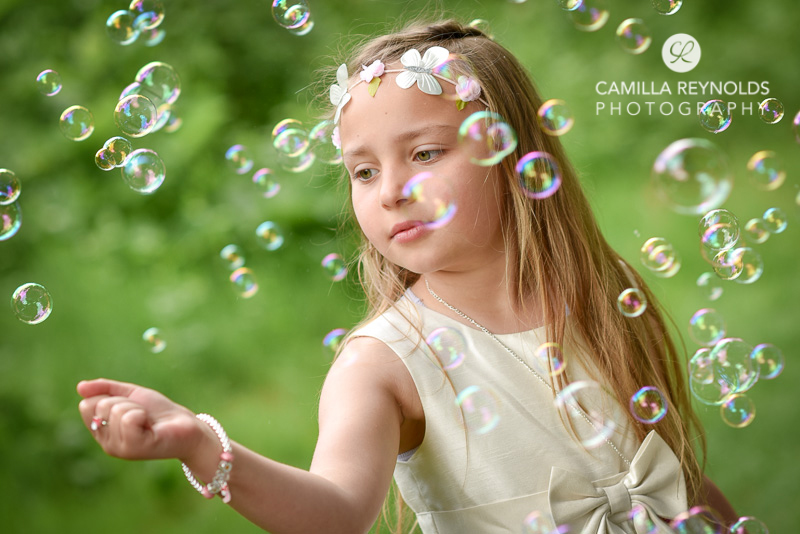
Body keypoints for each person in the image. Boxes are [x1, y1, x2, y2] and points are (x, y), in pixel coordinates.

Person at [78, 18, 738, 534]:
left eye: (424, 153)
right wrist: (200, 443)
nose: (390, 190)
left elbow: (673, 476)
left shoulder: (599, 287)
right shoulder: (386, 363)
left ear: (512, 155)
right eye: (364, 171)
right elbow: (335, 512)